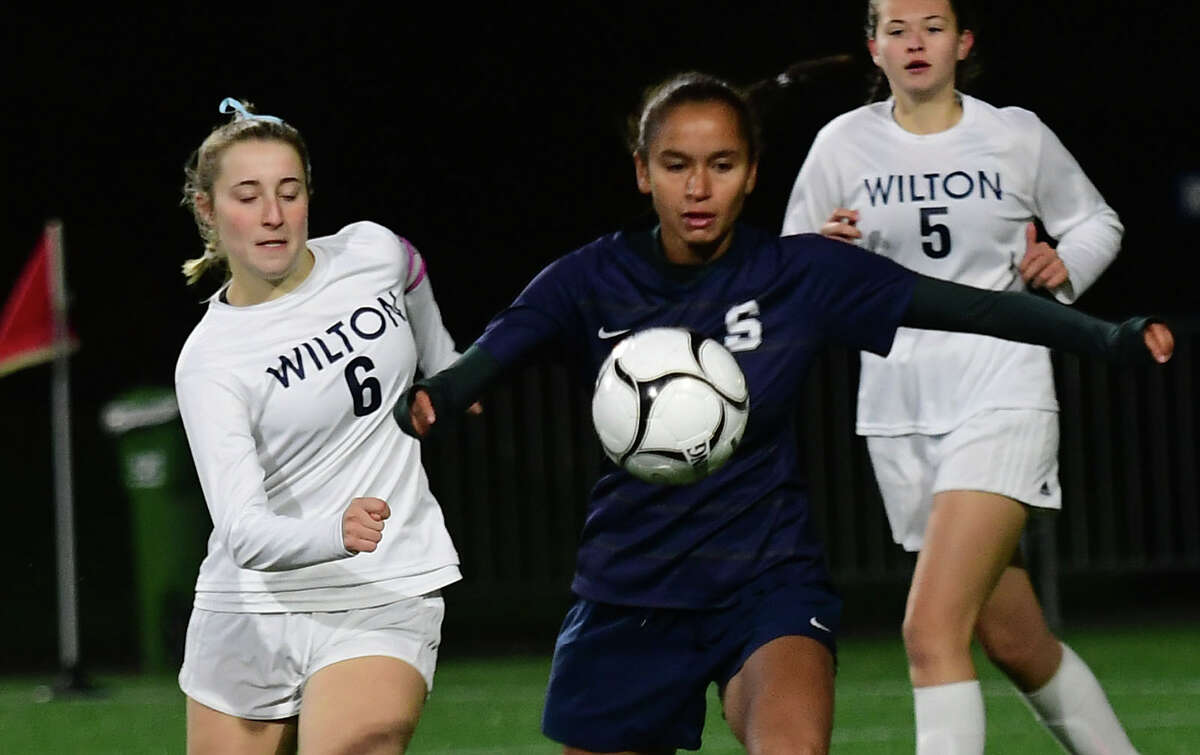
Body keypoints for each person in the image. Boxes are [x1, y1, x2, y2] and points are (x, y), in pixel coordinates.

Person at [395, 72, 1170, 755]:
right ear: (642, 172)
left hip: (768, 581)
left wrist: (1108, 337)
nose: (699, 188)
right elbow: (495, 349)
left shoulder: (798, 274)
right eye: (676, 166)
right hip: (629, 586)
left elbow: (972, 308)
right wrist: (441, 394)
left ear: (753, 173)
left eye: (722, 165)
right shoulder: (589, 279)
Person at [781, 1, 1147, 753]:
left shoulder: (1014, 132)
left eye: (934, 26)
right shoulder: (841, 144)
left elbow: (1096, 222)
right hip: (898, 407)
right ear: (874, 48)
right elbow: (788, 273)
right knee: (1016, 638)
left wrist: (1065, 264)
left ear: (964, 42)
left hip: (1002, 390)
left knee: (930, 628)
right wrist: (820, 250)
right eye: (897, 29)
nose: (916, 41)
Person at [174, 98, 471, 754]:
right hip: (248, 609)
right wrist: (330, 530)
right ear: (207, 210)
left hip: (384, 581)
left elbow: (410, 269)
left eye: (290, 191)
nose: (274, 216)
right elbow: (244, 531)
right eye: (248, 196)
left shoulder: (370, 250)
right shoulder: (209, 362)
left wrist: (444, 368)